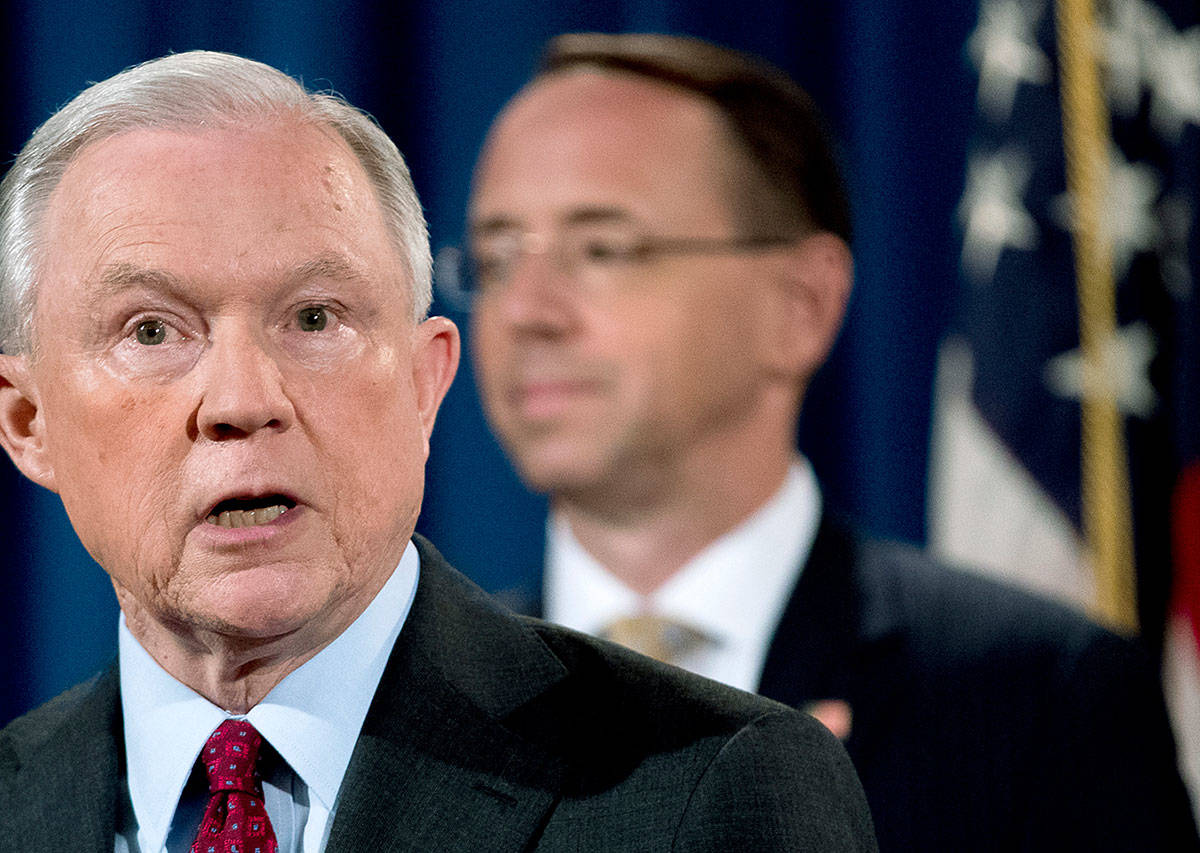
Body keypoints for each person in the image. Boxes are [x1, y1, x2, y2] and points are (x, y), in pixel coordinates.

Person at [0, 51, 877, 852]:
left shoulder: (706, 792)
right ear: (25, 419)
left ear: (425, 383)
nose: (246, 402)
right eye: (152, 332)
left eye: (314, 317)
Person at [464, 32, 1200, 851]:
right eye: (495, 259)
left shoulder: (1039, 697)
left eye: (602, 248)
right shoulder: (424, 701)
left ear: (801, 304)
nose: (525, 311)